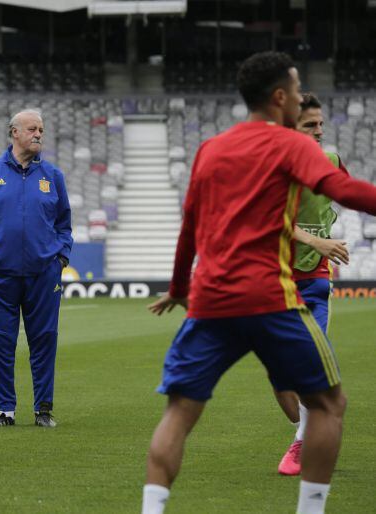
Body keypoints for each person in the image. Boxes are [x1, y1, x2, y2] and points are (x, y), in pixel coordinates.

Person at [142, 51, 376, 514]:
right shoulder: (293, 146)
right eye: (295, 87)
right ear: (279, 96)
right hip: (270, 296)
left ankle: (152, 510)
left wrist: (179, 287)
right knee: (329, 403)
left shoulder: (211, 148)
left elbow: (190, 223)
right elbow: (343, 190)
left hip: (210, 300)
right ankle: (310, 510)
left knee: (180, 412)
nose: (298, 97)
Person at [0, 109, 72, 428]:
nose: (39, 134)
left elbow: (64, 224)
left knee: (44, 339)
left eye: (42, 129)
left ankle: (44, 410)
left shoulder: (53, 176)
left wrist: (60, 258)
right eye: (32, 129)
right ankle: (4, 410)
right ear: (14, 133)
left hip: (43, 274)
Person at [276, 92, 350, 476]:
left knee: (306, 365)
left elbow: (349, 193)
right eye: (310, 126)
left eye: (321, 124)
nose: (320, 132)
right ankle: (301, 429)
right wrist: (317, 239)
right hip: (275, 282)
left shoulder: (332, 161)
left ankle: (304, 440)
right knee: (280, 379)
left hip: (316, 282)